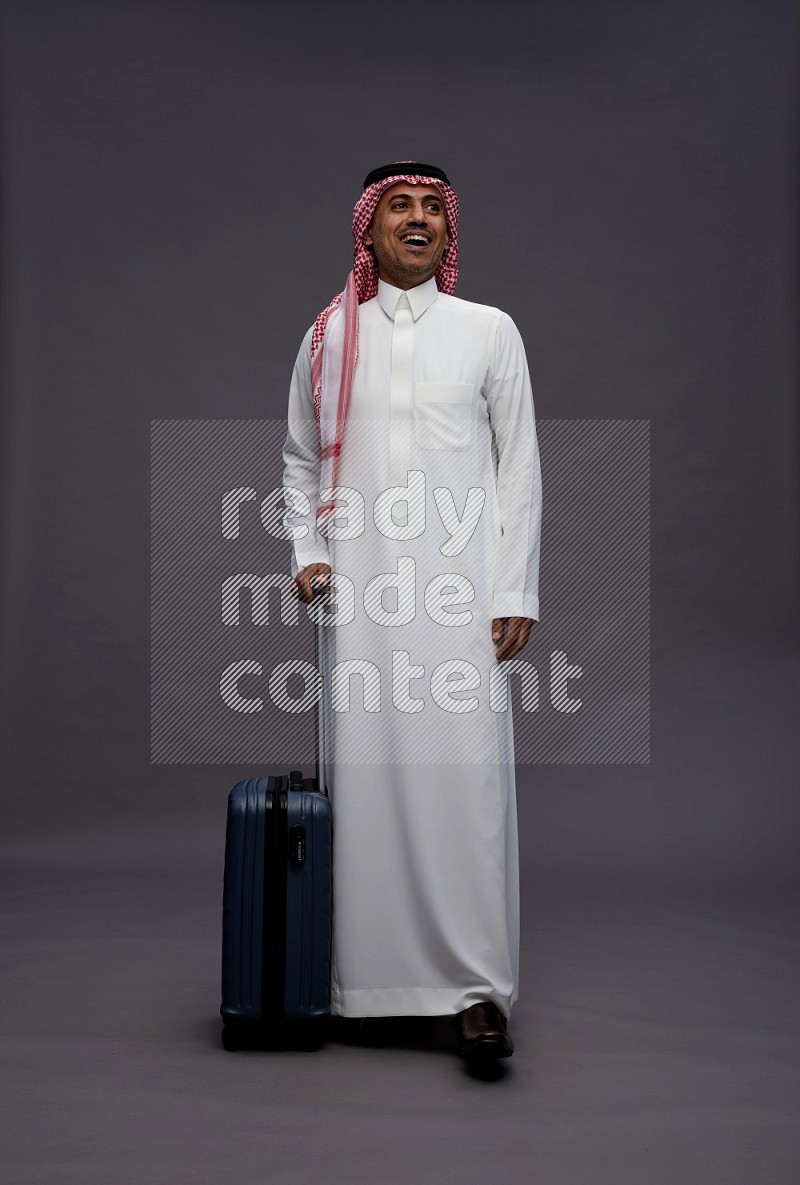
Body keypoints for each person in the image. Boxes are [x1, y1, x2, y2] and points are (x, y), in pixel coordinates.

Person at [281, 162, 542, 1062]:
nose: (420, 220)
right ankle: (365, 989)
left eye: (434, 207)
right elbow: (298, 459)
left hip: (461, 592)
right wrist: (308, 555)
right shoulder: (325, 336)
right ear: (369, 228)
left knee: (464, 786)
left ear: (449, 230)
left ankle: (477, 993)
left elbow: (520, 467)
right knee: (369, 783)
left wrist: (515, 588)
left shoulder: (488, 331)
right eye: (402, 206)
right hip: (362, 597)